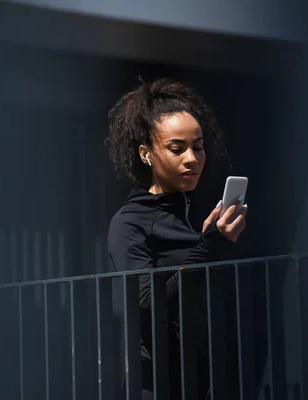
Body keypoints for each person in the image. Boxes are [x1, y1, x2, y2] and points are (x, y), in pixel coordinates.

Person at [106, 78, 247, 399]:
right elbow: (146, 307)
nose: (192, 158)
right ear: (146, 154)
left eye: (197, 146)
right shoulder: (129, 223)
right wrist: (211, 246)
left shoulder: (195, 215)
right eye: (176, 148)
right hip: (156, 384)